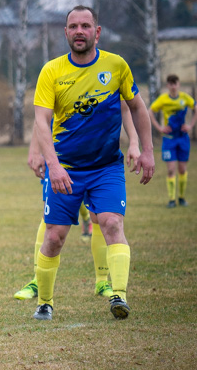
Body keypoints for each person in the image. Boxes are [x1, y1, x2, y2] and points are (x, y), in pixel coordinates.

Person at [31, 5, 154, 322]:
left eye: (86, 25)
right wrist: (54, 166)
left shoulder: (116, 66)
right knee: (55, 236)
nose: (79, 31)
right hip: (66, 168)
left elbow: (136, 108)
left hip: (106, 167)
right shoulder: (52, 71)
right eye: (73, 26)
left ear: (97, 32)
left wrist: (145, 149)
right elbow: (41, 122)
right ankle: (45, 301)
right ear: (66, 32)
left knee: (112, 223)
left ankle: (119, 295)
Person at [13, 102, 139, 301]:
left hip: (99, 159)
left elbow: (127, 106)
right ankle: (38, 280)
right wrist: (35, 151)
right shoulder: (55, 73)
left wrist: (134, 142)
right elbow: (42, 117)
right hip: (60, 157)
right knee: (50, 220)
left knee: (101, 217)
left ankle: (102, 281)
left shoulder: (104, 75)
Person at [149, 74, 194, 208]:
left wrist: (190, 126)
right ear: (167, 85)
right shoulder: (163, 99)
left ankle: (181, 197)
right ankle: (171, 199)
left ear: (178, 84)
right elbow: (149, 111)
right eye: (170, 83)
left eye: (175, 83)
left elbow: (195, 108)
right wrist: (159, 128)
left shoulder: (185, 98)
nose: (173, 86)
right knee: (171, 169)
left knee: (182, 169)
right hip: (169, 139)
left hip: (183, 138)